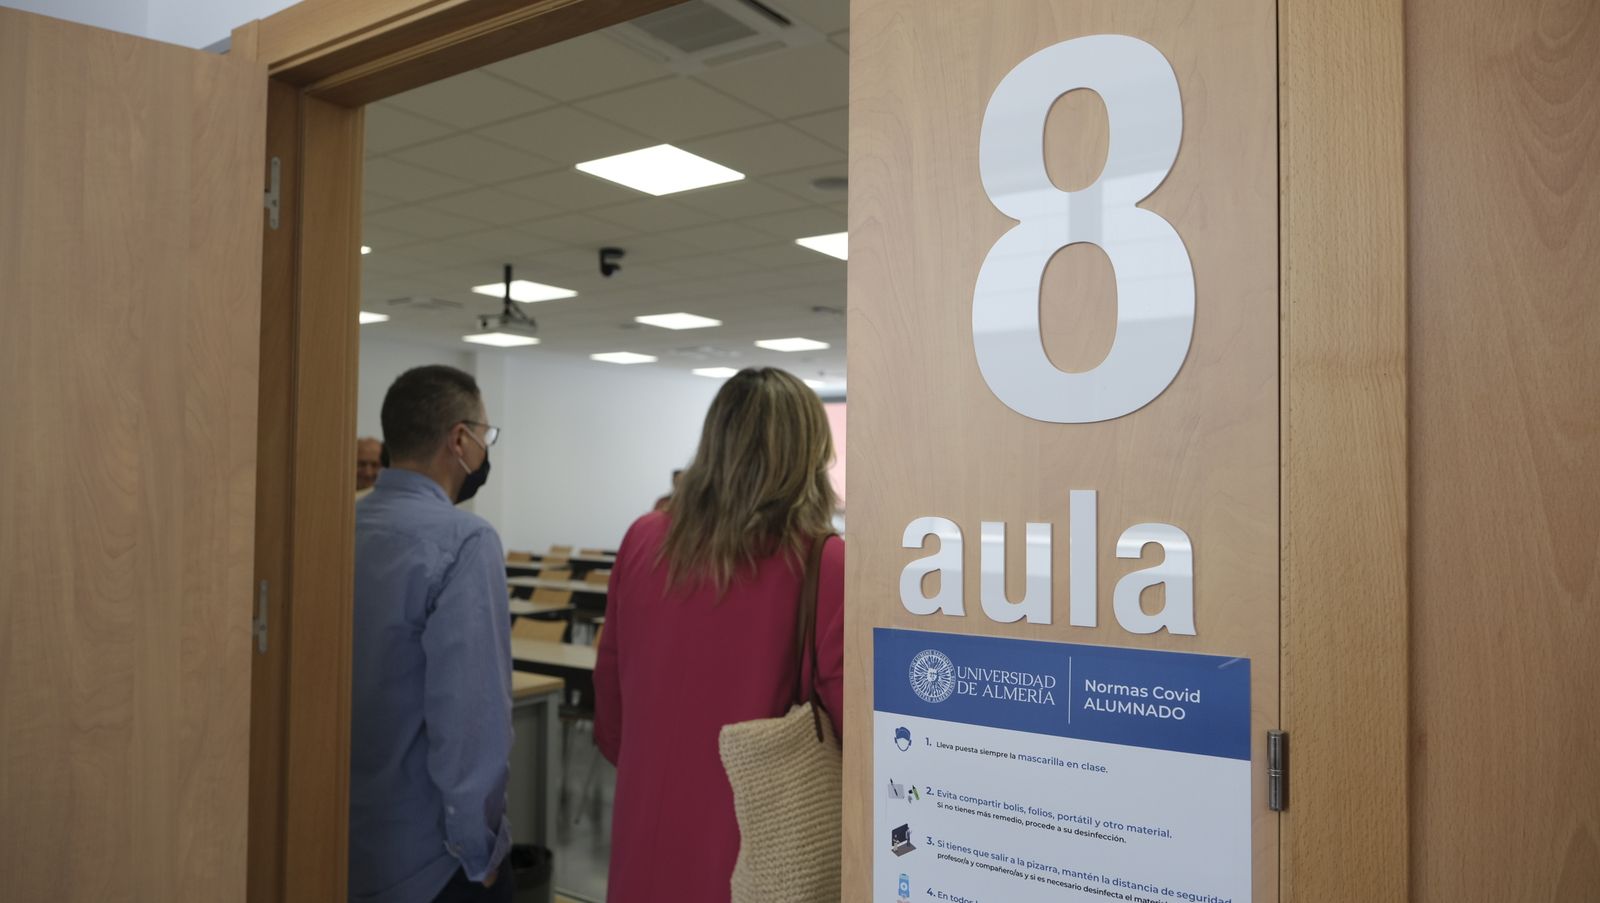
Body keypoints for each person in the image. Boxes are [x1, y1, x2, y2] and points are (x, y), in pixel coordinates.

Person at [595, 367, 845, 903]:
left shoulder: (644, 539)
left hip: (644, 840)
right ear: (810, 455)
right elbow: (859, 734)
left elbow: (611, 704)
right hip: (755, 858)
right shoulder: (826, 562)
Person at [349, 365, 513, 903]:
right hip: (429, 862)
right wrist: (479, 854)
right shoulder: (466, 541)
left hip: (344, 845)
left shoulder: (339, 524)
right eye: (485, 436)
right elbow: (469, 723)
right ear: (460, 439)